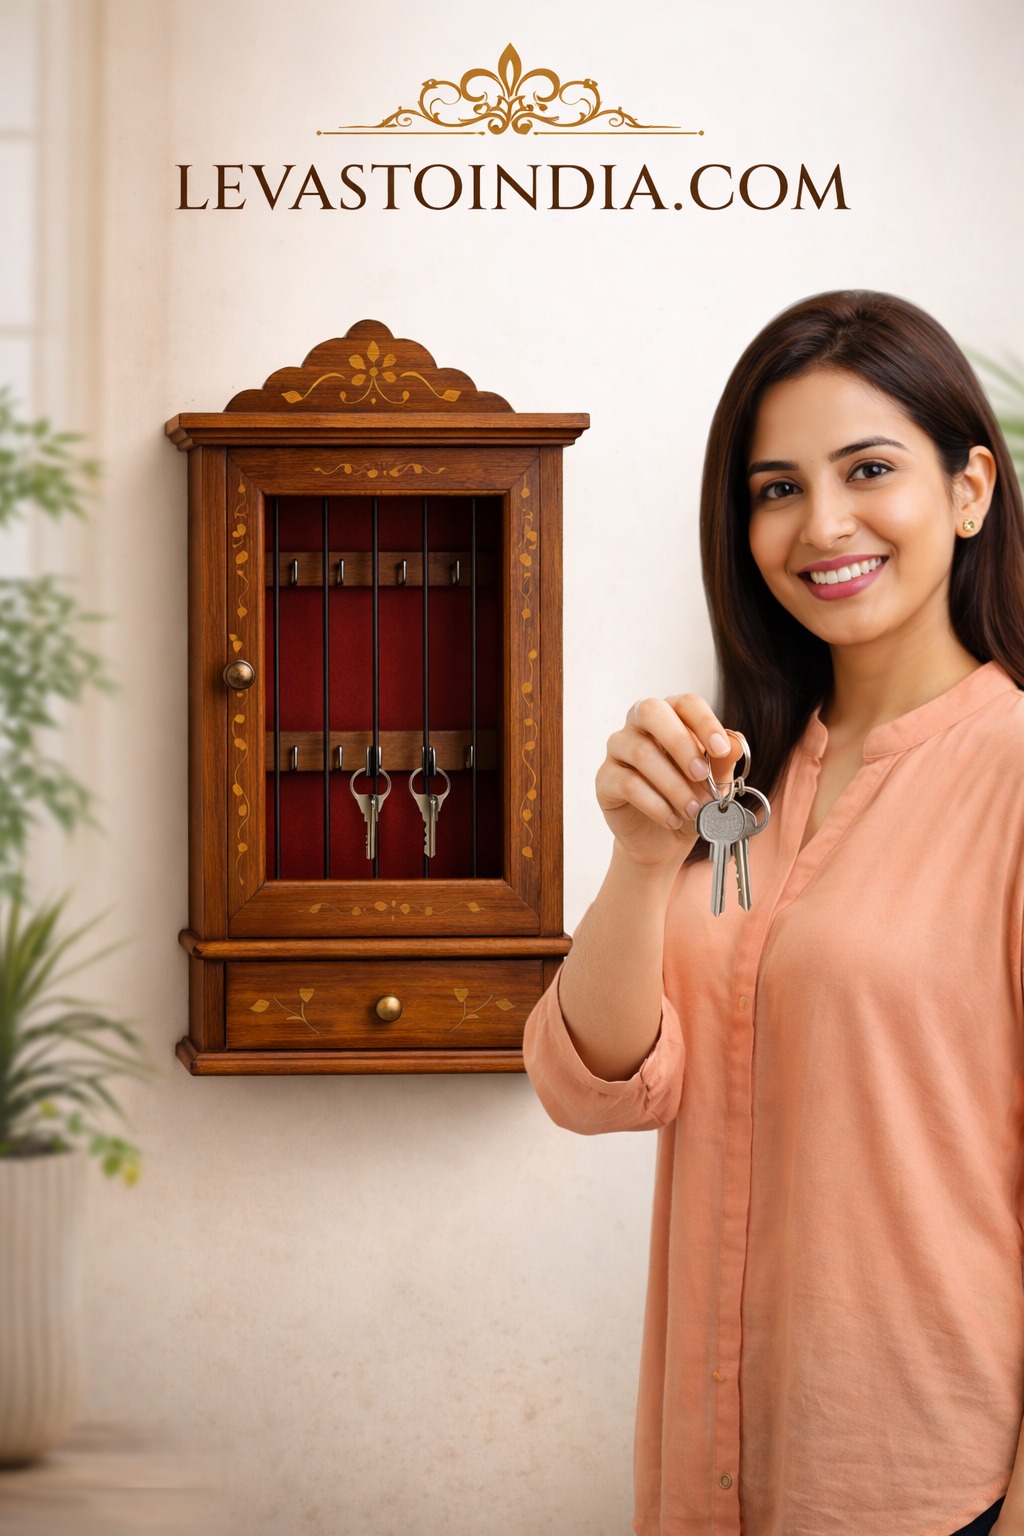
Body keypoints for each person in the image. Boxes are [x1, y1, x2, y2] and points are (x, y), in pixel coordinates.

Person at [523, 290, 1024, 1536]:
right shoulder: (738, 776)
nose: (822, 524)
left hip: (926, 1486)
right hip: (713, 1472)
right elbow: (596, 1087)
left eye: (869, 470)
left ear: (968, 490)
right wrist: (643, 859)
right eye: (776, 488)